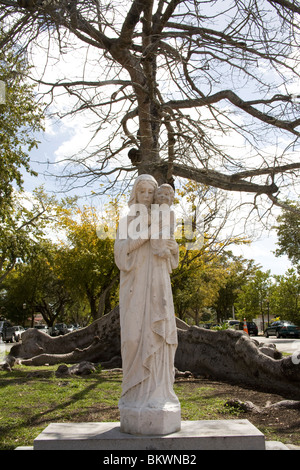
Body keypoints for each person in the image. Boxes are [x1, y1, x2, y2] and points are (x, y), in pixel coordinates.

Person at [114, 174, 181, 435]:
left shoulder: (164, 221)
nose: (146, 196)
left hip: (158, 284)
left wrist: (171, 248)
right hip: (134, 288)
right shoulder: (126, 222)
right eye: (141, 192)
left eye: (150, 193)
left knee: (160, 338)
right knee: (132, 338)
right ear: (134, 195)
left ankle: (159, 394)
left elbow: (172, 257)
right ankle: (133, 395)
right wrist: (147, 232)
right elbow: (122, 254)